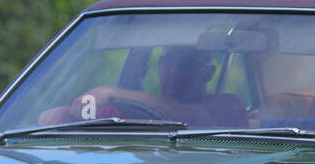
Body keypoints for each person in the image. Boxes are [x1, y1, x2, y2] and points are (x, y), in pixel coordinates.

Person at [38, 47, 247, 129]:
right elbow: (55, 117)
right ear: (159, 66)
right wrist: (65, 115)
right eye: (168, 62)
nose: (173, 71)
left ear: (208, 73)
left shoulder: (226, 106)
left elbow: (183, 115)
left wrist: (112, 92)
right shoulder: (130, 109)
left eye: (186, 65)